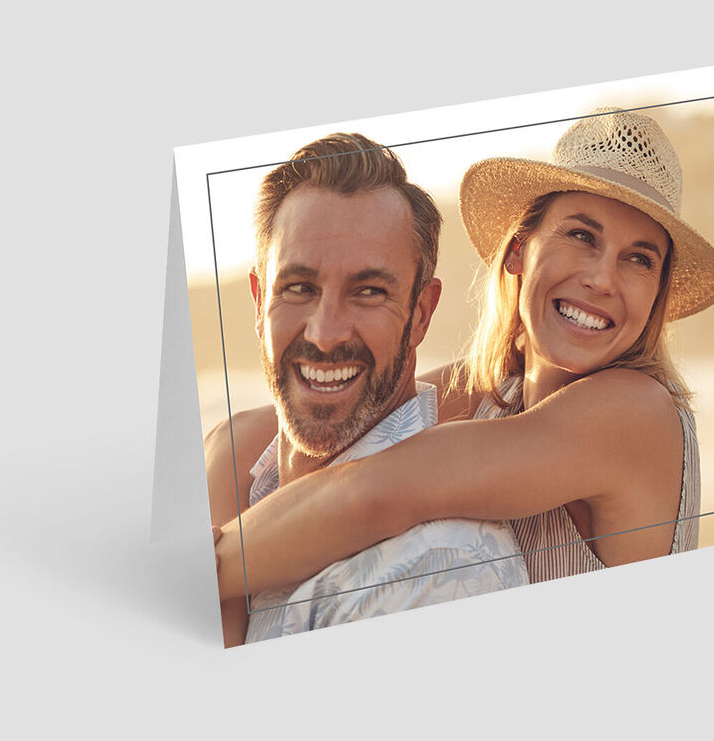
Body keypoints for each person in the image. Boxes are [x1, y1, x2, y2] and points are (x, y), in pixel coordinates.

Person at [213, 108, 714, 601]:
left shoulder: (636, 414)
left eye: (639, 259)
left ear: (656, 295)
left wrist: (205, 575)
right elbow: (247, 437)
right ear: (518, 250)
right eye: (581, 236)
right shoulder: (491, 396)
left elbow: (374, 492)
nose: (602, 278)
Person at [206, 132, 526, 647]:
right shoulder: (239, 479)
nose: (325, 333)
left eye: (369, 292)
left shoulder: (435, 569)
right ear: (258, 299)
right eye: (298, 288)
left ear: (420, 314)